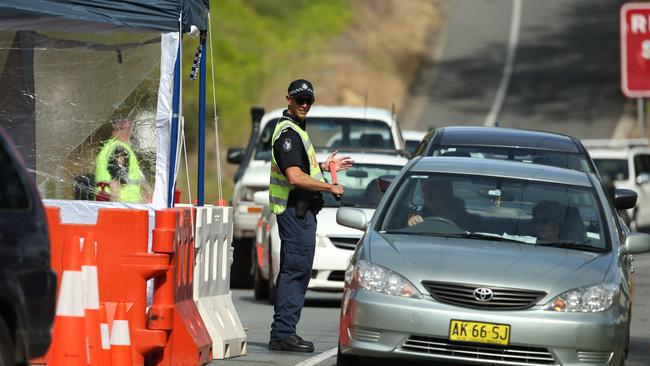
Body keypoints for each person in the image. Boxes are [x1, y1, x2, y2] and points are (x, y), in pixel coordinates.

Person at [268, 79, 352, 353]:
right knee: (295, 272)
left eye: (309, 101)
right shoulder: (289, 134)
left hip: (300, 213)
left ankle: (283, 332)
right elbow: (294, 177)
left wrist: (326, 167)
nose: (305, 104)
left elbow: (304, 170)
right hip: (295, 213)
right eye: (300, 99)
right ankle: (283, 333)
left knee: (296, 272)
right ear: (288, 100)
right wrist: (330, 186)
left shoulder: (297, 131)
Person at [95, 117, 145, 202]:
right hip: (122, 203)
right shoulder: (119, 149)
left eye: (129, 129)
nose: (129, 133)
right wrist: (115, 203)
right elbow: (115, 178)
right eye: (125, 129)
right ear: (115, 131)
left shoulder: (109, 147)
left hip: (108, 201)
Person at [406, 179, 481, 231]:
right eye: (424, 190)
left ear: (447, 190)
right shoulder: (419, 219)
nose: (428, 194)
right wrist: (412, 224)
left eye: (433, 188)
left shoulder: (472, 223)